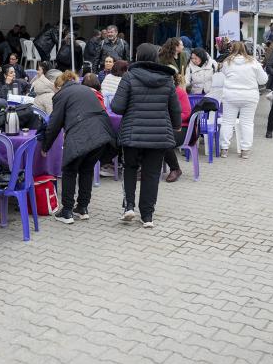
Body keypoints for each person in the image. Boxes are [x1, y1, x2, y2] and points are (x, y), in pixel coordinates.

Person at [110, 44, 181, 229]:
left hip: (132, 133)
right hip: (158, 135)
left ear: (138, 56)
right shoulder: (167, 79)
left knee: (130, 168)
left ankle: (129, 206)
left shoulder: (129, 76)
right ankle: (147, 216)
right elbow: (175, 108)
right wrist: (176, 126)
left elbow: (117, 107)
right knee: (152, 174)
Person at [44, 71, 115, 224]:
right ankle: (82, 208)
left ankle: (67, 211)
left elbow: (54, 124)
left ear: (59, 86)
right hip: (101, 133)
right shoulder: (86, 90)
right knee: (86, 170)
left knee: (69, 170)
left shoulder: (61, 95)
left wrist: (45, 147)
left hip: (81, 133)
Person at [218, 42, 268, 159]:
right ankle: (245, 150)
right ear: (245, 49)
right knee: (247, 123)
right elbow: (263, 80)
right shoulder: (253, 62)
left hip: (231, 96)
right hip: (249, 96)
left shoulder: (227, 62)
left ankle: (224, 149)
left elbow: (222, 77)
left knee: (227, 122)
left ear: (232, 49)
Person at [162, 70, 192, 182]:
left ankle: (175, 169)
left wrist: (170, 119)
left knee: (164, 140)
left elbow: (186, 113)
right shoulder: (160, 92)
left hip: (181, 127)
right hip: (165, 126)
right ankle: (145, 169)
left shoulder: (180, 92)